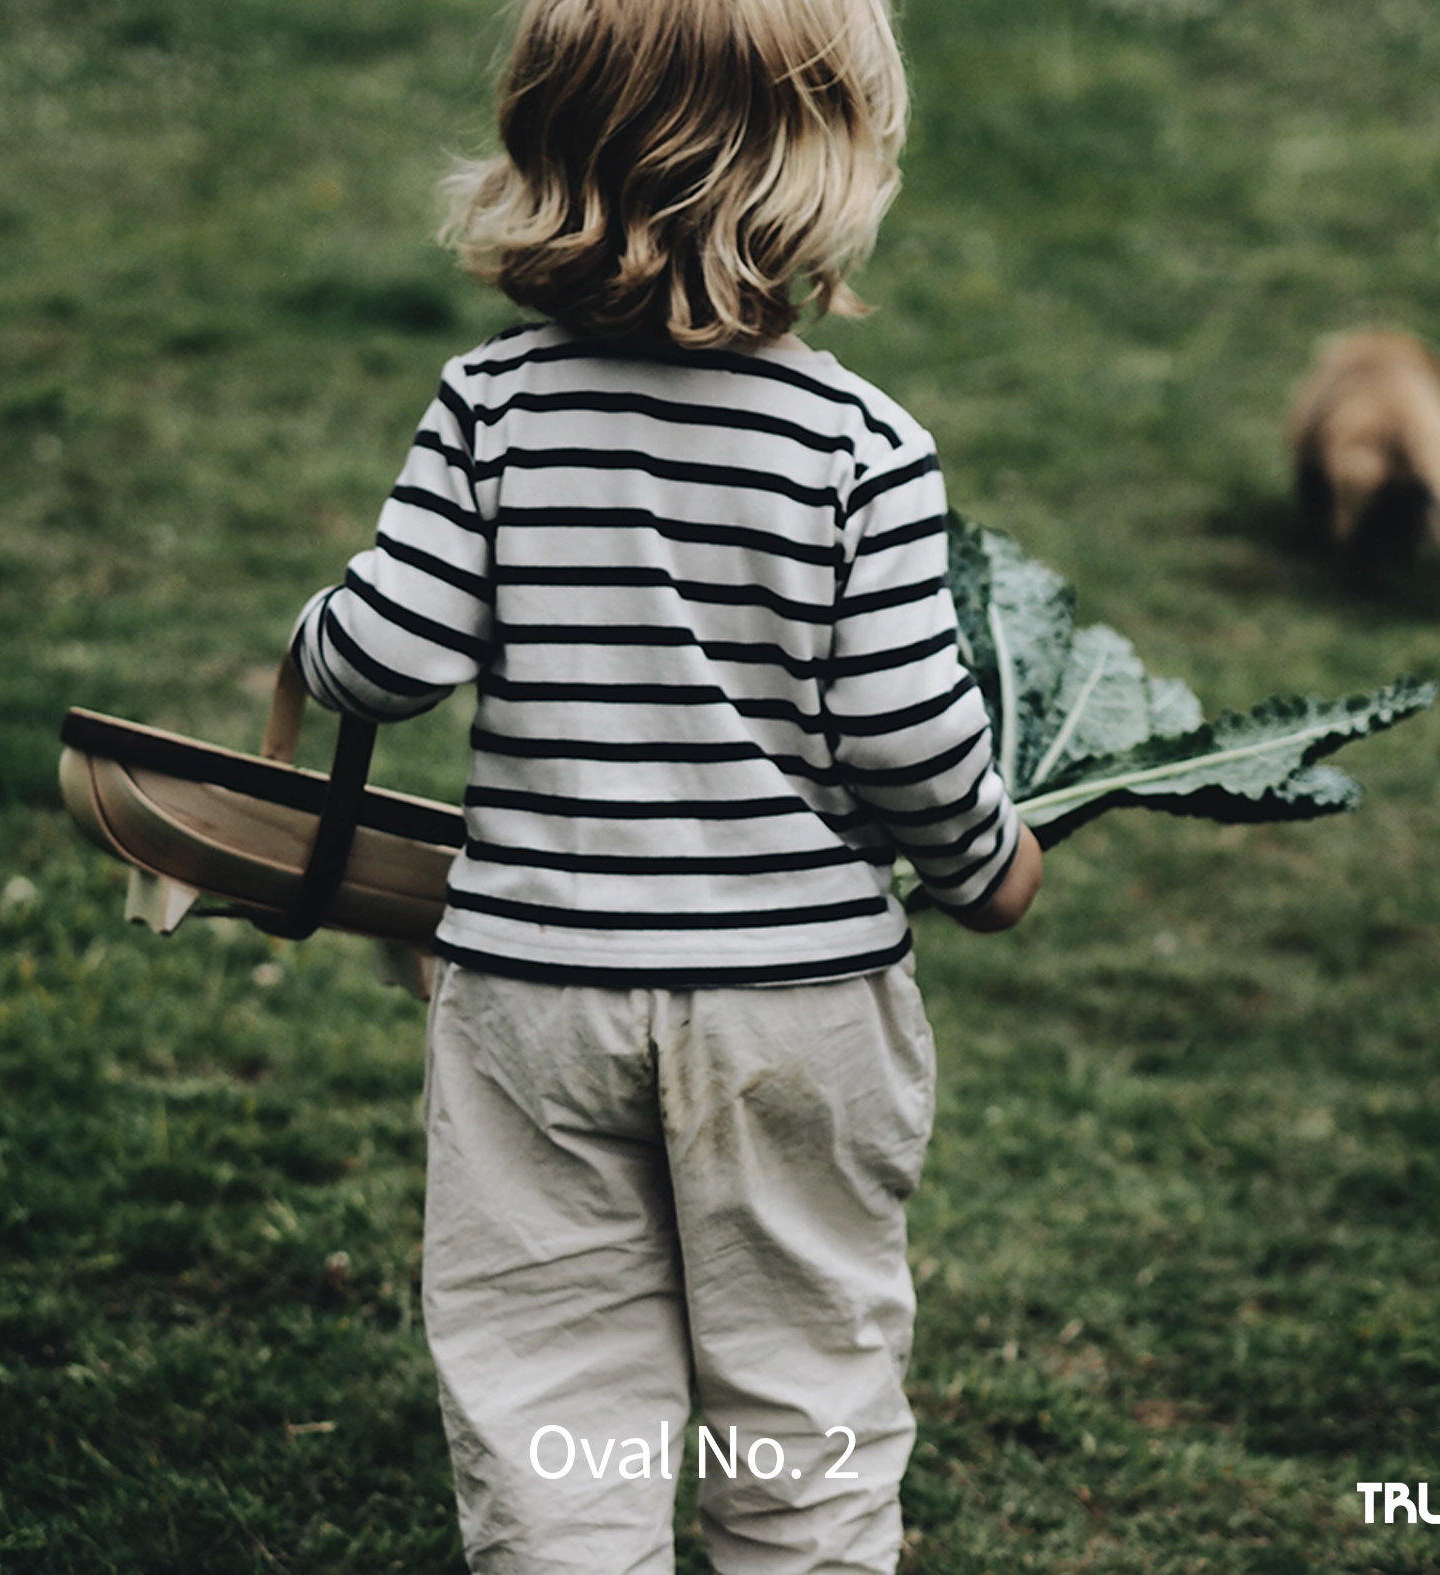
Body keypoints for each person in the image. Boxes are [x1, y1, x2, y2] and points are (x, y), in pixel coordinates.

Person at [289, 0, 1043, 1568]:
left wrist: (308, 643)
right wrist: (988, 863)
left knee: (556, 1380)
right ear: (837, 174)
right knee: (805, 1388)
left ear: (544, 153)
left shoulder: (492, 408)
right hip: (797, 1006)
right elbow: (908, 734)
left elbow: (389, 652)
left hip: (536, 996)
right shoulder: (861, 448)